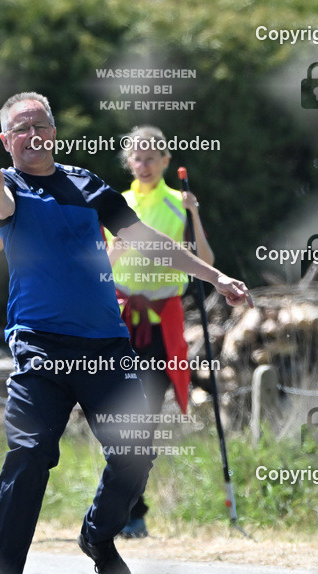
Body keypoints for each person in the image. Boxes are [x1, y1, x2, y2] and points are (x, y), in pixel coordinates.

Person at [0, 92, 251, 574]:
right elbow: (1, 210)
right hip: (40, 346)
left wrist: (215, 277)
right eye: (19, 129)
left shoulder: (88, 184)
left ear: (53, 131)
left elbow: (145, 239)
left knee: (136, 449)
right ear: (6, 141)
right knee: (29, 458)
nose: (32, 134)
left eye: (40, 125)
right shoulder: (6, 186)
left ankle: (98, 537)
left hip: (105, 345)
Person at [107, 125, 215, 539]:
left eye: (153, 157)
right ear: (129, 162)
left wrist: (195, 214)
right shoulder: (118, 204)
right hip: (119, 323)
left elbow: (205, 260)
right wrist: (115, 247)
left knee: (143, 418)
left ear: (166, 161)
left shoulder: (177, 203)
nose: (145, 164)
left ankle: (135, 510)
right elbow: (98, 263)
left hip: (159, 326)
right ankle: (118, 507)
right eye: (138, 157)